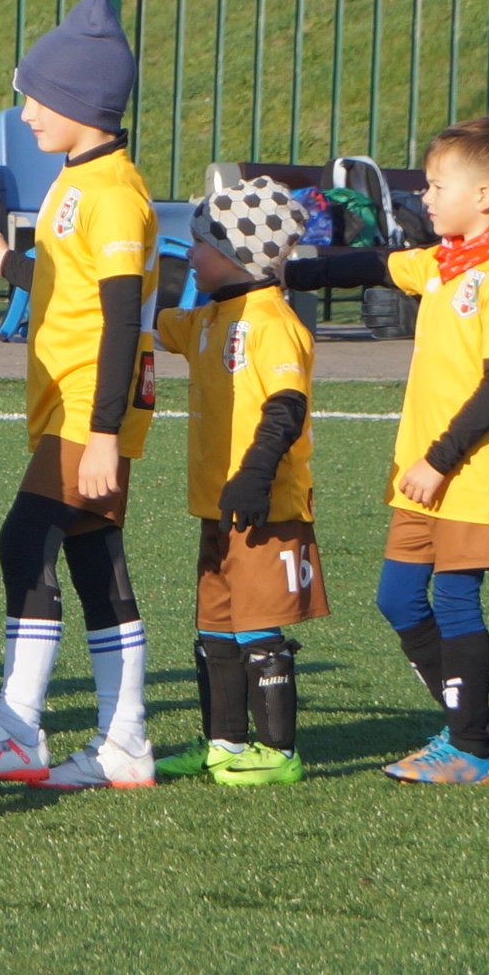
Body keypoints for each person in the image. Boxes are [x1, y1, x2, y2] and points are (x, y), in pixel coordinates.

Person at [284, 117, 489, 785]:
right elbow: (374, 264)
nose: (425, 197)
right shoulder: (446, 262)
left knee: (454, 601)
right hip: (422, 475)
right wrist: (285, 271)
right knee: (398, 599)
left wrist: (439, 458)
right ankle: (475, 720)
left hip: (466, 472)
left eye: (436, 186)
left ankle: (469, 748)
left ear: (484, 196)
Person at [0, 0, 162, 791]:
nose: (27, 113)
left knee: (24, 542)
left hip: (88, 406)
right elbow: (71, 287)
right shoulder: (79, 179)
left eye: (38, 98)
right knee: (92, 556)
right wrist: (10, 264)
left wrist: (104, 431)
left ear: (82, 101)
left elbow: (120, 318)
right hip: (72, 403)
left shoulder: (113, 193)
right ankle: (123, 743)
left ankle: (17, 729)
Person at [148, 177, 322, 786]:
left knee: (257, 624)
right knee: (215, 627)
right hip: (215, 504)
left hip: (261, 503)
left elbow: (286, 406)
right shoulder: (209, 317)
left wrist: (253, 476)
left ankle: (279, 752)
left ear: (237, 253)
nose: (191, 252)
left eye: (201, 242)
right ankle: (224, 742)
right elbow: (145, 322)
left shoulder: (271, 321)